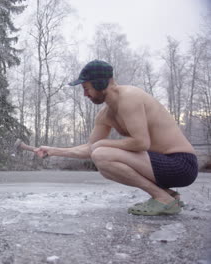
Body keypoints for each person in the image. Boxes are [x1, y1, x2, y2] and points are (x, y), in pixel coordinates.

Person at [34, 60, 198, 216]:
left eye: (86, 88)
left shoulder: (129, 97)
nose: (85, 94)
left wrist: (102, 144)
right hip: (158, 164)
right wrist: (54, 151)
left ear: (100, 83)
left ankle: (162, 198)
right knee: (102, 161)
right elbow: (90, 148)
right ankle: (168, 196)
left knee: (102, 154)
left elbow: (141, 142)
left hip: (181, 164)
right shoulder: (105, 115)